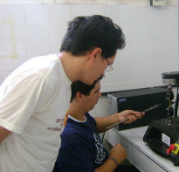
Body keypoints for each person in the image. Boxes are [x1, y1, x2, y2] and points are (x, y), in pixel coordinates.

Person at [0, 15, 125, 172]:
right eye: (107, 64)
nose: (103, 73)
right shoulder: (41, 77)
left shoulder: (64, 82)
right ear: (95, 54)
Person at [54, 80, 144, 172]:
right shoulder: (70, 137)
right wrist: (114, 159)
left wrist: (118, 118)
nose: (100, 95)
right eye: (96, 92)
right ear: (80, 95)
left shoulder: (77, 114)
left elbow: (93, 124)